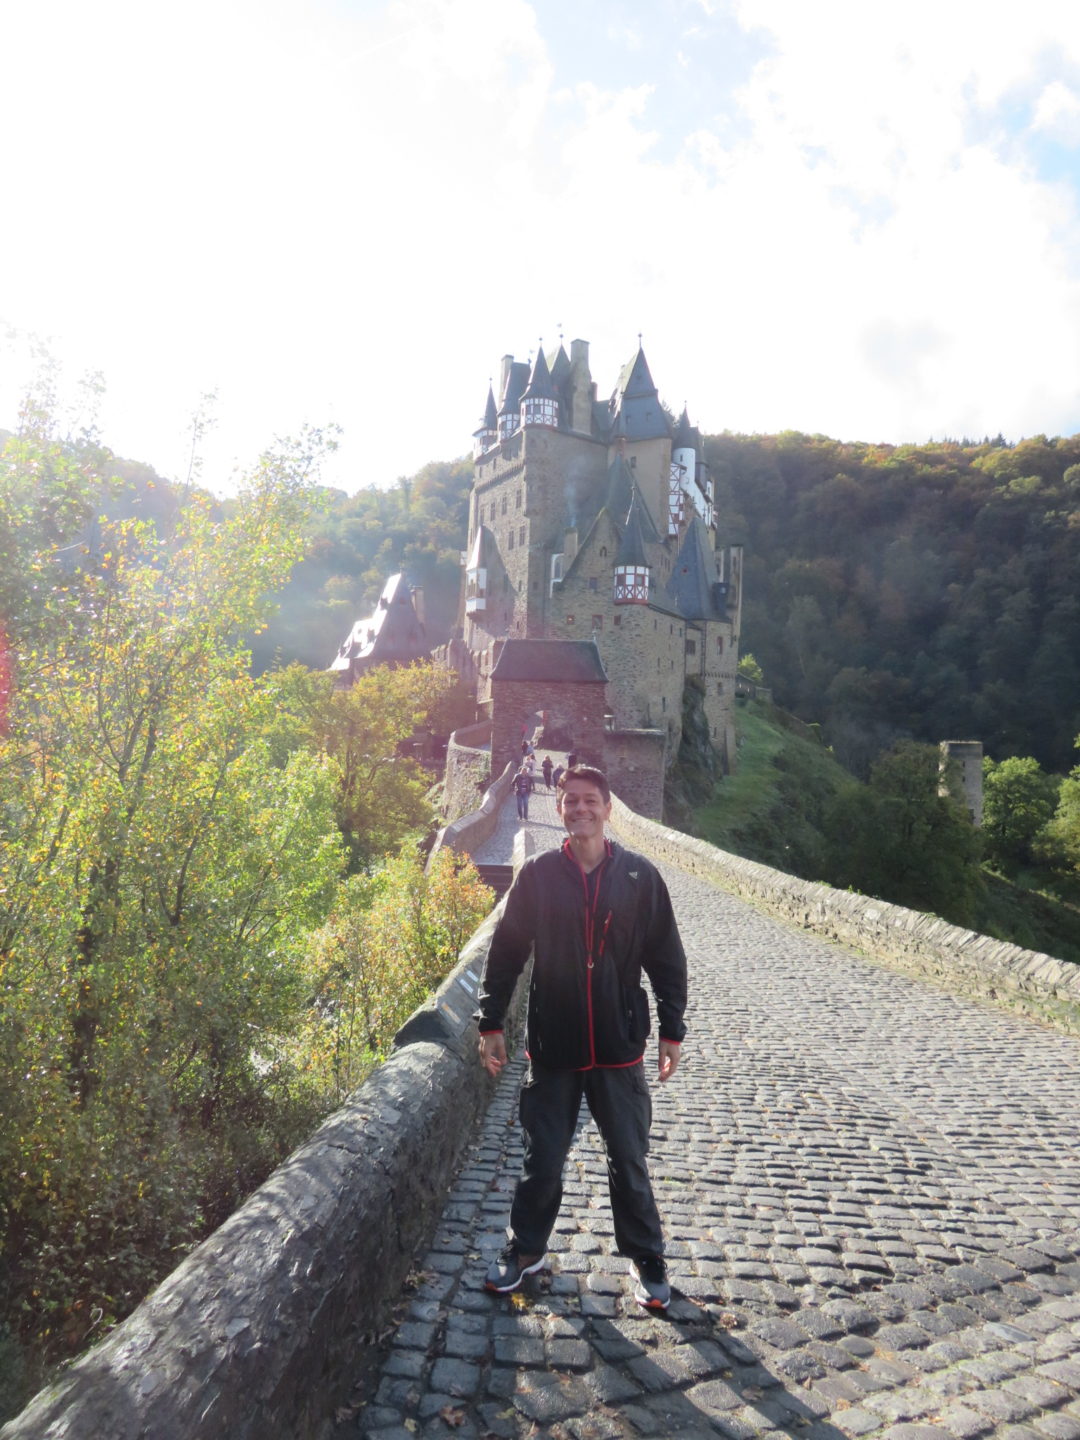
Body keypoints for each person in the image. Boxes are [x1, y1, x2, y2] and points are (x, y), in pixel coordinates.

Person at [476, 765, 687, 1310]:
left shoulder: (640, 877)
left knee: (629, 1159)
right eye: (571, 801)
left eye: (590, 800)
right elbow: (506, 952)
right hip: (555, 1046)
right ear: (559, 809)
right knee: (542, 1157)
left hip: (618, 1047)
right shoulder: (540, 875)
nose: (580, 809)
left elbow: (666, 958)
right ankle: (525, 1250)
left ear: (607, 809)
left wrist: (672, 1029)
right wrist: (491, 1021)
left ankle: (646, 1258)